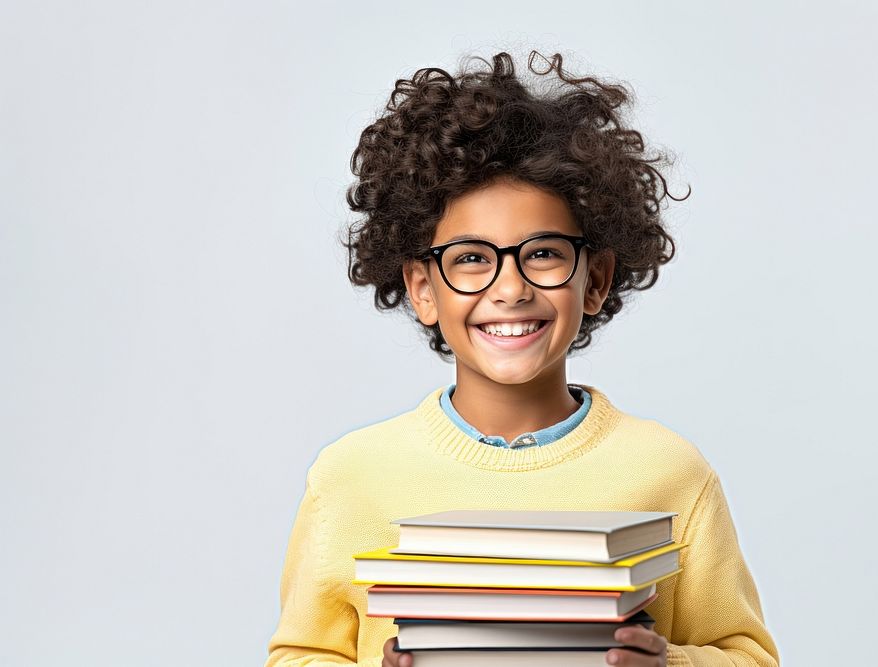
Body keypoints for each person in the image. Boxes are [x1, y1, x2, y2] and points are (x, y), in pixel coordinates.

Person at [265, 51, 780, 667]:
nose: (510, 288)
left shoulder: (671, 472)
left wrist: (668, 664)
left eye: (542, 253)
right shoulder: (350, 477)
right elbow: (299, 654)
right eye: (472, 258)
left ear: (595, 280)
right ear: (423, 289)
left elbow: (749, 656)